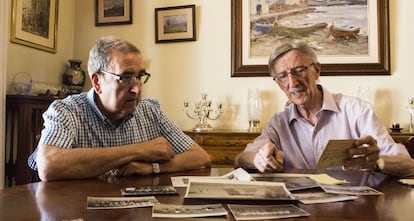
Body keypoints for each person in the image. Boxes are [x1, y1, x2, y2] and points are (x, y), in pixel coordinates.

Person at [28, 36, 211, 181]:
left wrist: (153, 168)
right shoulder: (66, 111)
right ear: (97, 82)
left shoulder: (150, 111)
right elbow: (49, 166)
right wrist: (140, 150)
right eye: (126, 77)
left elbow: (200, 157)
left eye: (140, 77)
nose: (137, 88)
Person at [235, 40, 414, 178]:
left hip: (356, 211)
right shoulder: (278, 123)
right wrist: (258, 159)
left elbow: (408, 165)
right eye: (283, 76)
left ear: (317, 70)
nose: (293, 83)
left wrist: (376, 162)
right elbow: (241, 159)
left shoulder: (357, 111)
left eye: (299, 70)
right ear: (278, 83)